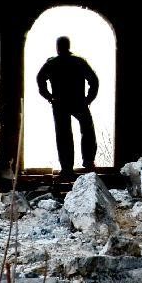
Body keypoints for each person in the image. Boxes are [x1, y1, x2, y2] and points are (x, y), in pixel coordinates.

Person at [37, 35, 99, 180]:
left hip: (60, 103)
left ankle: (67, 169)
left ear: (57, 47)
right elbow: (94, 81)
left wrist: (49, 96)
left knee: (63, 134)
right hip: (78, 101)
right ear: (68, 46)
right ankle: (88, 162)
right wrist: (88, 99)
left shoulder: (52, 63)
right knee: (87, 129)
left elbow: (40, 79)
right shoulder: (78, 62)